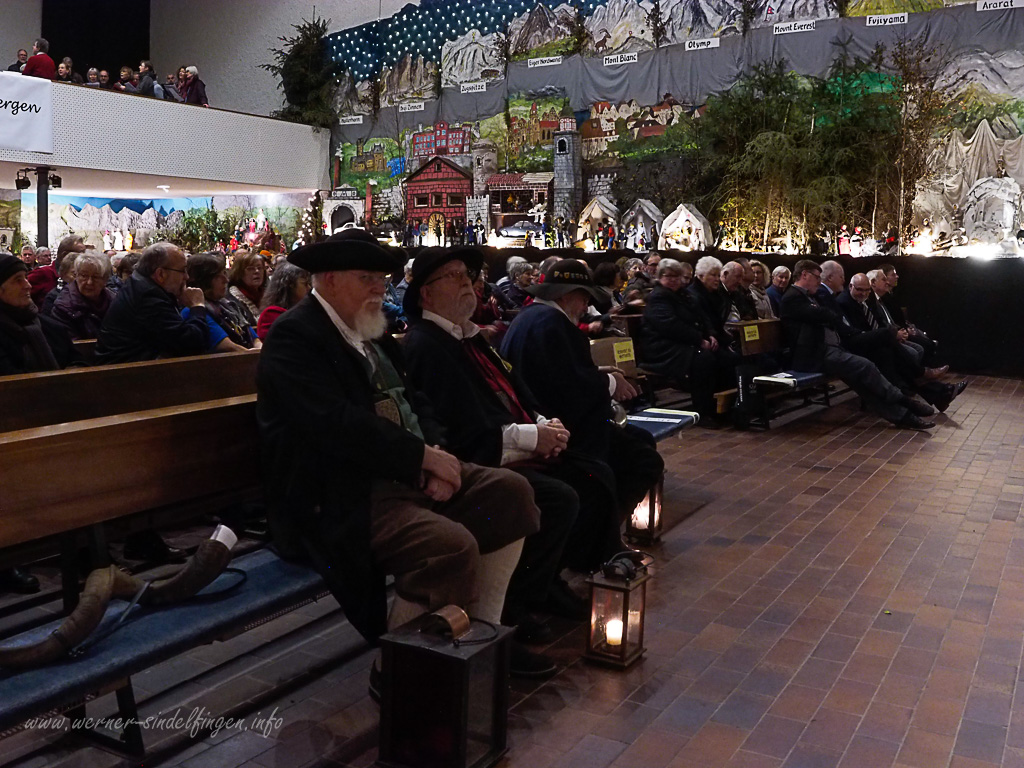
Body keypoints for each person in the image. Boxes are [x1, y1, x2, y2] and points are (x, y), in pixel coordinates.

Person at [256, 229, 548, 685]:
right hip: (336, 494)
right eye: (367, 277)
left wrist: (436, 455)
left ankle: (483, 636)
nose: (380, 288)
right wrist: (421, 460)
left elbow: (418, 403)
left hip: (401, 475)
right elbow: (335, 425)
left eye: (382, 278)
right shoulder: (294, 336)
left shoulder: (371, 332)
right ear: (329, 279)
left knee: (511, 493)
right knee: (450, 547)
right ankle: (397, 674)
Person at [402, 246, 588, 656]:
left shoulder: (467, 336)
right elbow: (461, 429)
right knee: (557, 497)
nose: (467, 282)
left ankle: (545, 583)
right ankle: (512, 610)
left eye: (467, 275)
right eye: (453, 276)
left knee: (589, 471)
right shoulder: (426, 344)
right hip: (474, 459)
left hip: (505, 444)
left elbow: (513, 388)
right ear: (425, 294)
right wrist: (532, 437)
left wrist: (542, 422)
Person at [500, 259, 665, 564]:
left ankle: (605, 537)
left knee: (639, 442)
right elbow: (570, 386)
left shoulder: (531, 318)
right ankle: (597, 544)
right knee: (642, 460)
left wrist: (601, 375)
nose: (587, 305)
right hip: (563, 430)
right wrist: (610, 383)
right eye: (584, 297)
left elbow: (557, 372)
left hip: (556, 419)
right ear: (566, 295)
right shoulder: (552, 323)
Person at [779, 260, 936, 430]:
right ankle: (905, 401)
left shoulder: (809, 296)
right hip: (813, 356)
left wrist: (827, 315)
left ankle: (904, 416)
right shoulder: (792, 297)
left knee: (863, 382)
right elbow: (825, 314)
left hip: (826, 351)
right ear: (804, 275)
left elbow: (829, 315)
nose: (819, 281)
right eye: (817, 277)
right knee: (865, 365)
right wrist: (826, 314)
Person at [0, 254, 75, 595]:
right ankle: (8, 559)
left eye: (25, 278)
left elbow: (70, 360)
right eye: (17, 280)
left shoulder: (40, 324)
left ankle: (76, 542)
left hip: (47, 418)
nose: (27, 286)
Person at [639, 258, 739, 424]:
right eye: (668, 276)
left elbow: (701, 318)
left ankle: (724, 407)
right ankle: (703, 412)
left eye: (676, 276)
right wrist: (699, 340)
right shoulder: (657, 297)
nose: (673, 280)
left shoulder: (684, 295)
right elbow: (670, 326)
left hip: (683, 343)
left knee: (726, 358)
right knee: (704, 359)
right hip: (662, 348)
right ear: (660, 277)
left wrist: (710, 335)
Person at [96, 242, 217, 363]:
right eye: (182, 270)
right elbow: (193, 344)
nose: (187, 277)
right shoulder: (148, 298)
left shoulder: (141, 286)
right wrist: (197, 306)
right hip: (125, 371)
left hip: (137, 366)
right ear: (160, 274)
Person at [185, 252, 259, 350]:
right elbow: (230, 347)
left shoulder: (228, 305)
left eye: (224, 273)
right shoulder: (194, 310)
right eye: (217, 276)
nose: (226, 280)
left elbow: (254, 338)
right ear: (203, 280)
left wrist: (260, 349)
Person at [50, 252, 115, 340]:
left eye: (96, 277)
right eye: (84, 276)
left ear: (105, 280)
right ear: (76, 276)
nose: (89, 282)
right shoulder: (63, 307)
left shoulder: (114, 301)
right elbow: (70, 345)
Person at [257, 262, 310, 340]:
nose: (309, 288)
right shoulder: (271, 314)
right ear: (290, 286)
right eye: (305, 284)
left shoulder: (305, 308)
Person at [226, 250, 265, 328]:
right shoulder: (232, 300)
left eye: (260, 268)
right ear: (239, 273)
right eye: (250, 269)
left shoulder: (268, 294)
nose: (257, 271)